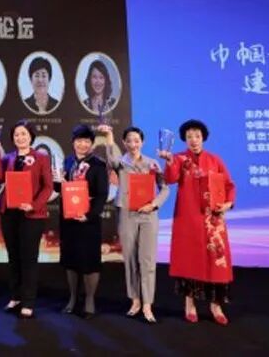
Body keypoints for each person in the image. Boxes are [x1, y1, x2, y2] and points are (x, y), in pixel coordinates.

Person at [159, 119, 236, 326]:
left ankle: (216, 306)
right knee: (189, 260)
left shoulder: (215, 160)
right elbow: (171, 178)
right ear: (184, 139)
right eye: (189, 136)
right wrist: (169, 161)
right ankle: (189, 304)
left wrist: (228, 204)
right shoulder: (179, 158)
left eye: (197, 136)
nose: (194, 140)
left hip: (213, 220)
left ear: (203, 138)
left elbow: (229, 185)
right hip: (188, 218)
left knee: (216, 262)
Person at [102, 125, 169, 323]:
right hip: (127, 214)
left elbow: (165, 188)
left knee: (147, 260)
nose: (133, 144)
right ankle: (135, 300)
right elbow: (111, 159)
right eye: (129, 141)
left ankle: (148, 304)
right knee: (130, 259)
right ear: (124, 143)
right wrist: (109, 136)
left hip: (148, 215)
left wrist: (154, 204)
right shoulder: (120, 163)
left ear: (142, 142)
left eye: (136, 140)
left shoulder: (152, 163)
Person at [0, 120, 53, 319]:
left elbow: (48, 187)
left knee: (29, 258)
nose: (20, 138)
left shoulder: (41, 158)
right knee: (14, 256)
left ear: (31, 136)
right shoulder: (8, 157)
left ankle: (28, 301)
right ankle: (16, 296)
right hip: (9, 213)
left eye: (23, 134)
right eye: (16, 135)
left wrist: (33, 205)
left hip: (31, 214)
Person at [58, 124, 109, 319]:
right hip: (69, 218)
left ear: (92, 144)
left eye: (87, 141)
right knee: (70, 259)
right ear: (73, 143)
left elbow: (102, 194)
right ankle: (72, 298)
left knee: (90, 261)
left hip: (89, 219)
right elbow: (60, 189)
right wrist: (57, 181)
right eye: (79, 141)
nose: (82, 144)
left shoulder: (98, 164)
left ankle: (89, 300)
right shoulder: (68, 161)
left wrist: (89, 215)